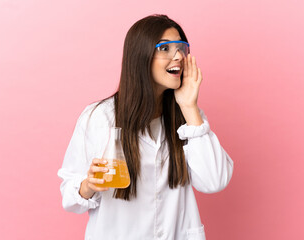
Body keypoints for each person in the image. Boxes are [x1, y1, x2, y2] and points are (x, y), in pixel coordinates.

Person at [58, 14, 234, 240]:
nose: (178, 56)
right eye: (165, 49)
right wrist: (88, 185)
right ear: (141, 57)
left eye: (181, 48)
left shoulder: (189, 118)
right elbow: (70, 199)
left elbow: (214, 181)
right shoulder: (100, 118)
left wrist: (190, 107)